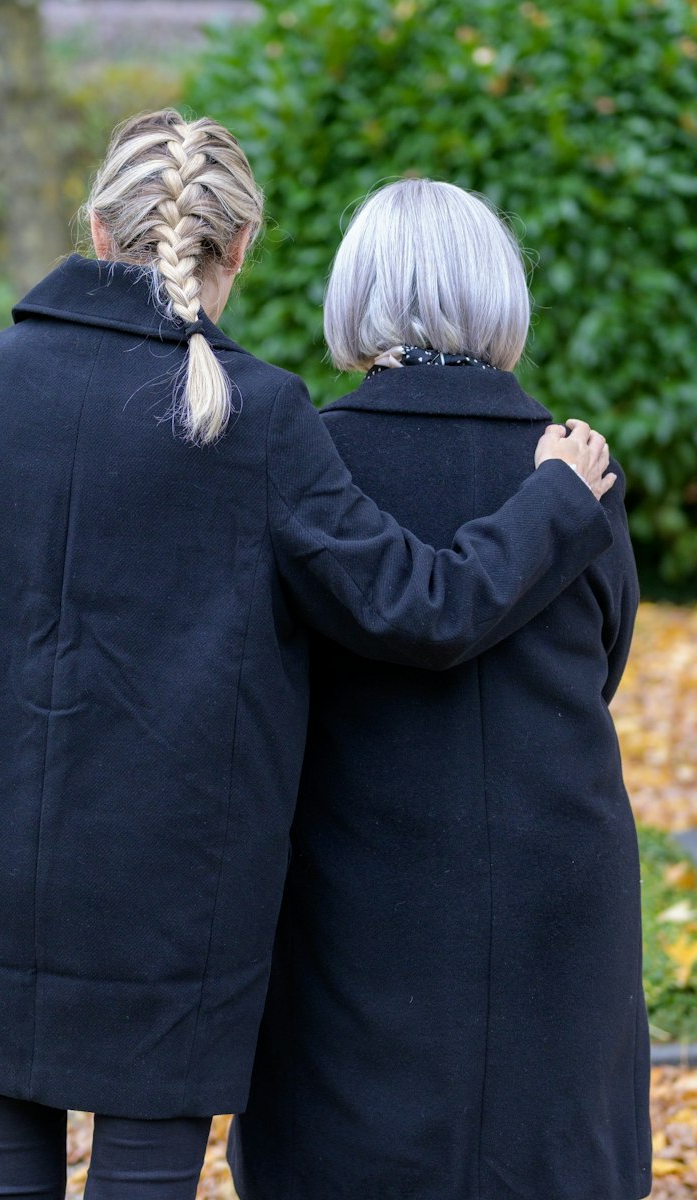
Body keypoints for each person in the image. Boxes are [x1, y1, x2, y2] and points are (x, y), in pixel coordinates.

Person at [0, 113, 615, 1200]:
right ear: (237, 250)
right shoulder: (258, 413)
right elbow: (420, 610)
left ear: (95, 224)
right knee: (142, 1171)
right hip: (165, 871)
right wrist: (557, 503)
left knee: (4, 1171)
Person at [229, 179, 649, 1200]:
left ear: (355, 296)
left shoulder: (310, 460)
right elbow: (605, 659)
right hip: (558, 874)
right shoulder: (575, 468)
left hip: (356, 885)